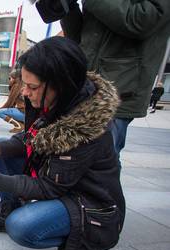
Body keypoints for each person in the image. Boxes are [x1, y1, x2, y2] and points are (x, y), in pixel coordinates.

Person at [0, 37, 125, 250]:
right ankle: (9, 208)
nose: (24, 93)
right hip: (63, 181)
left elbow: (47, 187)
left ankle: (83, 242)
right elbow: (32, 138)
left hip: (89, 204)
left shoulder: (87, 128)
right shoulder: (56, 101)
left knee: (22, 227)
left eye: (32, 87)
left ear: (60, 85)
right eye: (24, 84)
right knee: (3, 145)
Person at [35, 0, 170, 156]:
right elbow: (78, 37)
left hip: (119, 86)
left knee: (99, 161)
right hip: (87, 85)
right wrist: (68, 7)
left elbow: (142, 21)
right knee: (73, 157)